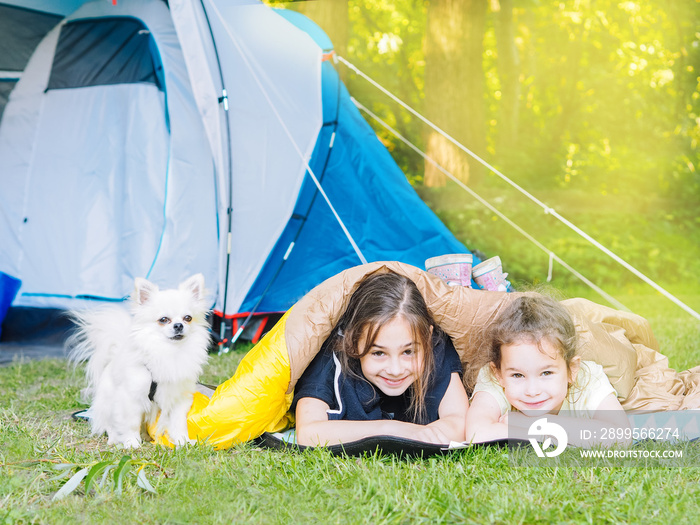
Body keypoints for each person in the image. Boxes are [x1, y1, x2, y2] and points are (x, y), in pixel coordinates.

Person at [293, 272, 469, 446]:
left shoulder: (436, 347)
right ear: (352, 342)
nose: (395, 370)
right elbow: (308, 433)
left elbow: (460, 423)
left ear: (428, 338)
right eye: (378, 353)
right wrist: (391, 430)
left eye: (408, 351)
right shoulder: (330, 357)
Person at [465, 294, 630, 446]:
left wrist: (529, 424)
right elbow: (477, 434)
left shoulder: (587, 376)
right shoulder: (492, 377)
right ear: (498, 373)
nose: (532, 391)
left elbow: (619, 437)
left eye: (546, 373)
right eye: (517, 375)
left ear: (571, 370)